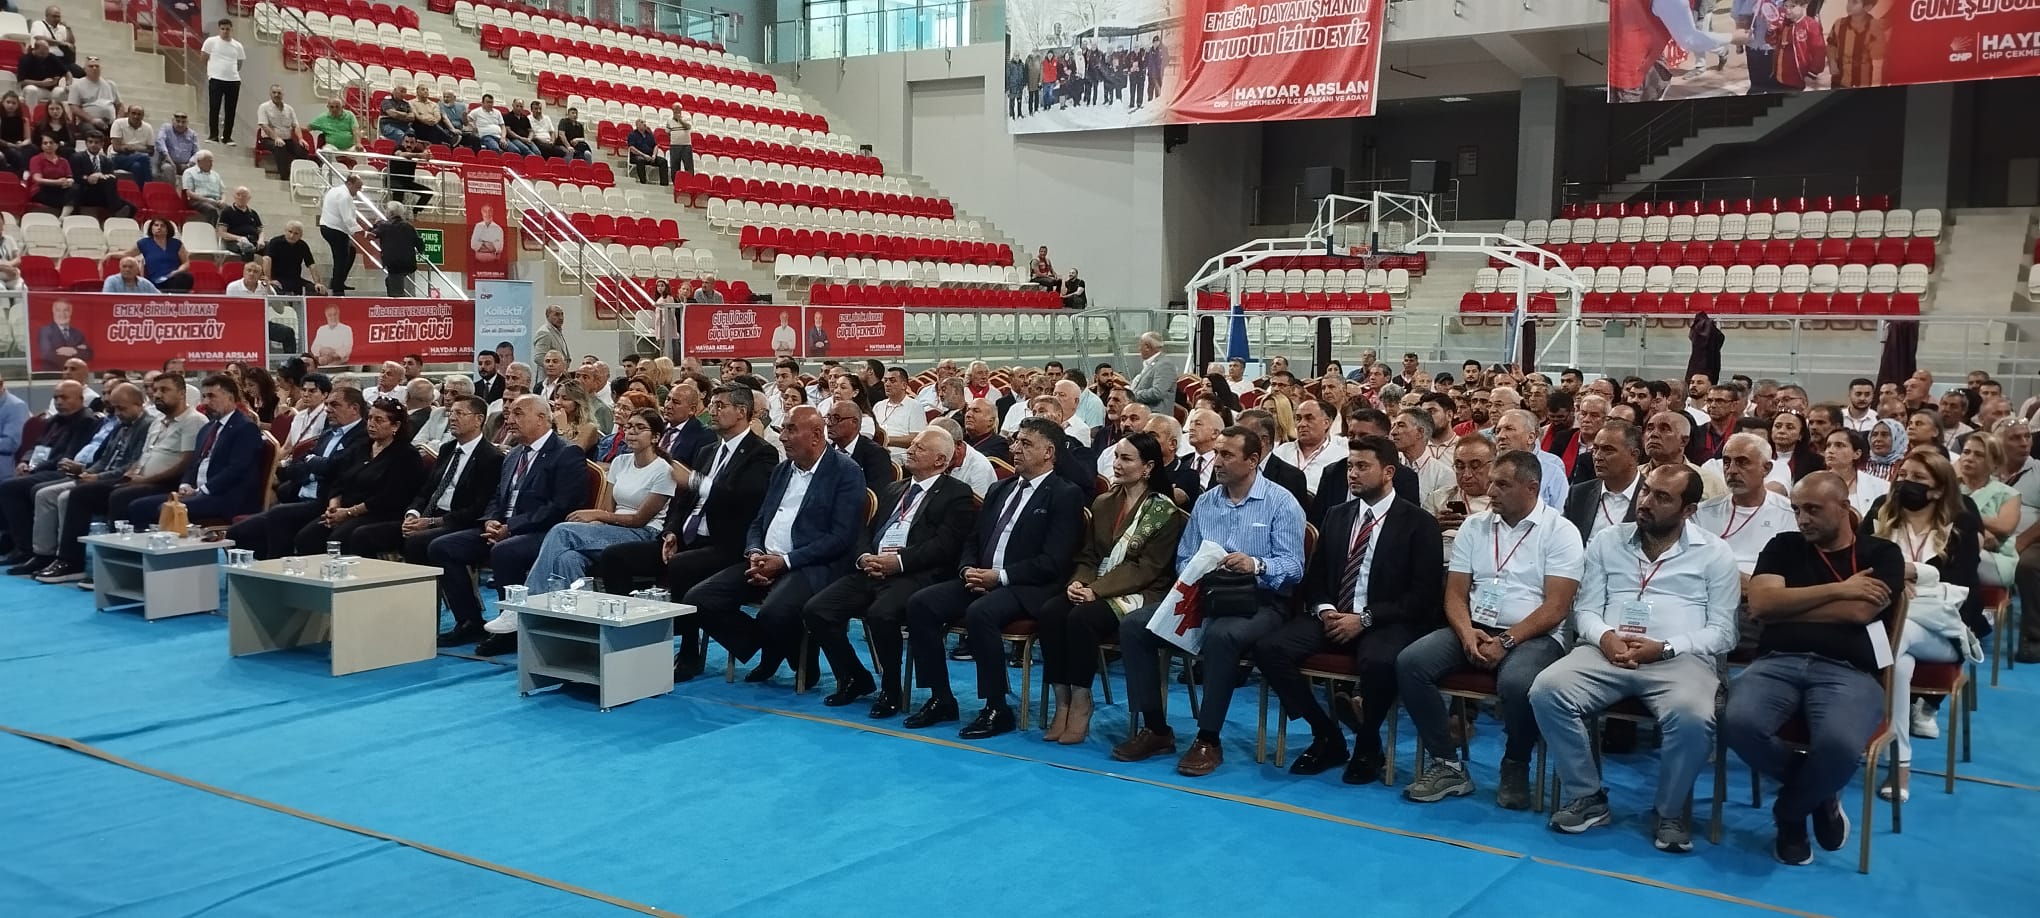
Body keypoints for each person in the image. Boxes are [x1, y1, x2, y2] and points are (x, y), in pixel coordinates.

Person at [1529, 465, 1738, 854]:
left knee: (1693, 716)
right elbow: (1585, 610)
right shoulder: (1607, 540)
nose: (1646, 502)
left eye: (1662, 497)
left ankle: (1669, 812)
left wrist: (1667, 647)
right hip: (1606, 653)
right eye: (1646, 491)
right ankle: (1587, 795)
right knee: (1546, 690)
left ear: (1688, 510)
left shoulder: (1714, 552)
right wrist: (1605, 637)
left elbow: (1725, 632)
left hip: (1680, 659)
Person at [1724, 471, 1903, 866]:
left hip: (1850, 670)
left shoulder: (1881, 553)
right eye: (1796, 510)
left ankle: (1790, 813)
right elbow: (1762, 605)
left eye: (1813, 509)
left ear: (1844, 508)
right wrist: (1841, 589)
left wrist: (1791, 604)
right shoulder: (1784, 546)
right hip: (1777, 661)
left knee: (1838, 746)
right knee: (1735, 722)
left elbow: (1860, 612)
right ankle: (1819, 792)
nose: (1802, 519)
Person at [1113, 424, 1306, 776]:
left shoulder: (1281, 502)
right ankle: (1156, 729)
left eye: (1227, 455)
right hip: (1207, 593)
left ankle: (1208, 738)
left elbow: (1294, 567)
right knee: (1135, 625)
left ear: (1253, 460)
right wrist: (1201, 567)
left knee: (1221, 635)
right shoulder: (1206, 501)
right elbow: (1184, 557)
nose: (1216, 461)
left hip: (1261, 601)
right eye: (1216, 453)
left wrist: (1255, 564)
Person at [1397, 448, 1583, 808]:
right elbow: (1455, 594)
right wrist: (1467, 633)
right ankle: (1447, 763)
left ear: (1532, 488)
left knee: (1517, 683)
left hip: (1535, 635)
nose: (1491, 490)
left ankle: (1515, 763)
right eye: (1492, 482)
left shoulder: (1561, 531)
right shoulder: (1474, 525)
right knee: (1411, 663)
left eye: (1502, 484)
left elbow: (1557, 607)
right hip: (1476, 626)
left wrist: (1507, 641)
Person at [1258, 435, 1445, 783]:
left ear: (1388, 472)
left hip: (1387, 620)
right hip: (1334, 614)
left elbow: (1422, 597)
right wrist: (1325, 609)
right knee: (1270, 648)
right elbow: (1315, 577)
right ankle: (1326, 733)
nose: (1352, 474)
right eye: (1349, 466)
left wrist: (1365, 619)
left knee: (1380, 661)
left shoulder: (1419, 523)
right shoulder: (1337, 515)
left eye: (1362, 466)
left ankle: (1368, 742)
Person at [902, 417, 1085, 738]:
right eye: (1015, 441)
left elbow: (1053, 561)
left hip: (1028, 586)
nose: (1015, 449)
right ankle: (941, 697)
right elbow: (972, 540)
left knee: (980, 613)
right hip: (981, 578)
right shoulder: (1000, 488)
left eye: (1025, 444)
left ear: (1049, 452)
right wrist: (967, 569)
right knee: (921, 603)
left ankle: (997, 707)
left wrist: (999, 577)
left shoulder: (1064, 494)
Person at [802, 427, 977, 716]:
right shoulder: (893, 489)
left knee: (881, 614)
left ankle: (891, 688)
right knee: (817, 610)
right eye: (912, 444)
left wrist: (899, 562)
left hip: (915, 574)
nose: (910, 450)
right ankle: (854, 677)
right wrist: (864, 557)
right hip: (873, 569)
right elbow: (865, 531)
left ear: (940, 460)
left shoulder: (956, 494)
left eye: (919, 447)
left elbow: (945, 546)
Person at [685, 406, 863, 686]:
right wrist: (755, 552)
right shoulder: (782, 470)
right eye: (783, 430)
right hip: (765, 558)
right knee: (699, 600)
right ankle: (775, 646)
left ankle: (788, 655)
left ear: (816, 435)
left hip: (811, 565)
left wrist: (785, 562)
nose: (782, 437)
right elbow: (759, 521)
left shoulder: (846, 472)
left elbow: (840, 538)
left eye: (791, 430)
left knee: (774, 612)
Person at [477, 408, 679, 654]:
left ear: (655, 437)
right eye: (628, 427)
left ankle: (522, 606)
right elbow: (607, 508)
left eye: (640, 428)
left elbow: (639, 519)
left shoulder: (663, 470)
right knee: (567, 558)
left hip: (643, 533)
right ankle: (573, 632)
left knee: (562, 532)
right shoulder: (620, 462)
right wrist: (597, 522)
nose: (631, 433)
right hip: (611, 527)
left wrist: (596, 517)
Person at [1035, 431, 1185, 743]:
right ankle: (1062, 701)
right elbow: (1088, 555)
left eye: (1126, 459)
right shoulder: (1103, 503)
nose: (1116, 464)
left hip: (1142, 591)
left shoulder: (1164, 512)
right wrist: (1079, 582)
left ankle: (1081, 700)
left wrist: (1096, 591)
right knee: (1051, 612)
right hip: (1097, 584)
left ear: (1148, 467)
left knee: (1081, 618)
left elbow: (1146, 569)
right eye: (1116, 456)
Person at [1860, 449, 1984, 800]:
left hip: (1943, 631)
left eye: (1918, 479)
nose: (1906, 483)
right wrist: (1900, 583)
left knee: (1895, 636)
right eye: (1903, 475)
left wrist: (1912, 573)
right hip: (1893, 624)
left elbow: (1962, 587)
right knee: (1899, 662)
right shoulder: (1881, 512)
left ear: (1938, 489)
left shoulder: (1960, 524)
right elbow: (1860, 564)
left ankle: (1861, 717)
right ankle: (1901, 764)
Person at [429, 395, 590, 646]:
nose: (510, 419)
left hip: (544, 532)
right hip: (503, 528)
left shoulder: (566, 453)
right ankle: (469, 621)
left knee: (505, 551)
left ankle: (511, 628)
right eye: (510, 413)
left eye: (518, 413)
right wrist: (490, 521)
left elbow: (561, 506)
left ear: (541, 418)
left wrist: (512, 527)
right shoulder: (514, 454)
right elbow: (497, 496)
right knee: (443, 547)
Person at [38, 373, 207, 583]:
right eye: (155, 390)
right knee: (81, 493)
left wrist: (143, 480)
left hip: (166, 484)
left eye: (164, 390)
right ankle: (70, 561)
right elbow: (144, 456)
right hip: (140, 479)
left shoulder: (194, 420)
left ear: (182, 393)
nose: (157, 395)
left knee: (119, 496)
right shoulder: (158, 422)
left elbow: (185, 463)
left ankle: (116, 568)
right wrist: (131, 473)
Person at [345, 395, 501, 563]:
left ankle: (423, 581)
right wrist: (412, 514)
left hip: (455, 521)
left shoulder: (490, 457)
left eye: (459, 413)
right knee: (363, 535)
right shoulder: (447, 449)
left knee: (417, 541)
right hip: (427, 515)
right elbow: (426, 491)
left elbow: (477, 508)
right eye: (451, 413)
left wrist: (432, 522)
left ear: (479, 419)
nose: (452, 418)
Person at [278, 397, 427, 558]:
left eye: (379, 420)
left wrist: (348, 512)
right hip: (345, 509)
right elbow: (339, 480)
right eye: (370, 418)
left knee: (339, 539)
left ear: (395, 426)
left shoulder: (406, 455)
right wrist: (334, 507)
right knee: (307, 537)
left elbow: (388, 497)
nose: (371, 424)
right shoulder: (362, 446)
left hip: (379, 513)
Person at [1696, 433, 1798, 579]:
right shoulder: (1702, 512)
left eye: (1742, 462)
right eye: (1726, 462)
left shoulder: (1790, 514)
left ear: (1766, 469)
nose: (1731, 470)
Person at [1821, 428, 1888, 517]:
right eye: (1828, 445)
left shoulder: (1881, 486)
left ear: (1857, 454)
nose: (1830, 450)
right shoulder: (1813, 484)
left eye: (1839, 445)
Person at [200, 19, 245, 144]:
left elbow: (239, 64)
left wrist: (230, 72)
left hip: (233, 80)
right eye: (223, 29)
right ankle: (213, 135)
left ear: (231, 29)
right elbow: (203, 58)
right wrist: (214, 70)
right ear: (219, 29)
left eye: (227, 29)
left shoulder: (238, 46)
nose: (225, 31)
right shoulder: (211, 42)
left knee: (230, 110)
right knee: (214, 107)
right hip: (216, 79)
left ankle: (227, 137)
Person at [319, 175, 364, 295]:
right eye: (357, 187)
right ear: (349, 184)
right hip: (334, 229)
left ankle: (338, 282)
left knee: (351, 251)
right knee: (341, 259)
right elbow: (348, 219)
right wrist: (363, 233)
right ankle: (337, 289)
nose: (358, 190)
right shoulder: (344, 196)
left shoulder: (334, 191)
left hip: (328, 226)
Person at [370, 203, 423, 297]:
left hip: (393, 263)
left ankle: (398, 300)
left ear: (390, 213)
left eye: (386, 211)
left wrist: (375, 224)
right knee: (392, 281)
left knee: (395, 289)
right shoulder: (409, 226)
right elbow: (420, 245)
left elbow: (372, 235)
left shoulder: (384, 226)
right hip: (408, 263)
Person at [126, 219, 194, 292]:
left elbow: (186, 263)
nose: (159, 228)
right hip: (156, 281)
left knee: (186, 277)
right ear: (151, 228)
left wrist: (177, 271)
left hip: (175, 277)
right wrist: (115, 253)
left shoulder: (177, 243)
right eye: (156, 225)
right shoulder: (144, 243)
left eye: (162, 226)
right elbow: (127, 254)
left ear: (167, 229)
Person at [253, 83, 304, 178]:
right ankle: (285, 177)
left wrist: (301, 139)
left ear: (283, 94)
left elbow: (296, 125)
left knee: (302, 148)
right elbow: (264, 125)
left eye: (279, 93)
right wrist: (276, 138)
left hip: (287, 140)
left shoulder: (289, 109)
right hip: (269, 139)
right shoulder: (263, 107)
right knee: (280, 146)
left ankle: (303, 176)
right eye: (274, 92)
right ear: (270, 94)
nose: (276, 95)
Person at [266, 223, 324, 297]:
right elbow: (267, 259)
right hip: (277, 279)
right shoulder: (275, 242)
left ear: (300, 235)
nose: (292, 236)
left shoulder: (303, 245)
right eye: (290, 232)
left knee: (320, 292)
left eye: (296, 233)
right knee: (276, 290)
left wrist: (317, 283)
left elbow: (311, 265)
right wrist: (269, 280)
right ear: (285, 231)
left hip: (295, 279)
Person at [34, 299, 93, 371]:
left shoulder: (77, 333)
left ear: (71, 312)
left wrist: (74, 350)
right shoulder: (45, 331)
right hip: (53, 373)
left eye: (66, 310)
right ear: (53, 311)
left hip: (74, 374)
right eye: (58, 310)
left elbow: (88, 354)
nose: (62, 314)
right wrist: (77, 352)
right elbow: (47, 355)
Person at [26, 136, 72, 213]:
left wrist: (69, 181)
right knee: (73, 200)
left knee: (75, 189)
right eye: (45, 143)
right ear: (41, 146)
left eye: (51, 143)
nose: (48, 145)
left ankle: (64, 215)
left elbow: (69, 177)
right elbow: (37, 179)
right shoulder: (36, 159)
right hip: (42, 189)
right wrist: (56, 182)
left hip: (59, 188)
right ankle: (67, 212)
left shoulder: (64, 161)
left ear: (57, 145)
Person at [179, 150, 226, 222]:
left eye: (212, 161)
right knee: (211, 209)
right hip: (198, 200)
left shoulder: (216, 174)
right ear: (199, 161)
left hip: (216, 200)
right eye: (208, 161)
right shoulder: (189, 172)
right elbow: (189, 192)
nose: (211, 164)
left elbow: (223, 192)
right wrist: (207, 200)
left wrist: (223, 200)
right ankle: (210, 228)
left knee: (230, 210)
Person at [217, 186, 263, 260]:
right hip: (235, 242)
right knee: (247, 248)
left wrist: (261, 240)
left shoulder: (253, 213)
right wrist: (239, 238)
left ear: (249, 198)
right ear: (234, 196)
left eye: (244, 195)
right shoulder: (227, 212)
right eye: (238, 194)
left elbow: (260, 230)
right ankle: (248, 267)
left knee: (272, 247)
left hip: (254, 240)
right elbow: (222, 233)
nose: (240, 197)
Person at [626, 119, 667, 185]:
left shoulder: (649, 135)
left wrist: (654, 155)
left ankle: (664, 184)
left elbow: (655, 146)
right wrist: (644, 155)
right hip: (637, 156)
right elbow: (632, 148)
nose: (645, 124)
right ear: (637, 125)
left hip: (650, 156)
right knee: (640, 160)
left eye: (645, 122)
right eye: (642, 122)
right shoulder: (632, 134)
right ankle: (643, 182)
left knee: (663, 161)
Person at [666, 104, 692, 176]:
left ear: (681, 109)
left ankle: (689, 181)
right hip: (674, 146)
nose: (675, 111)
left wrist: (680, 120)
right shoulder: (669, 119)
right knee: (674, 166)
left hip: (686, 146)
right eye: (673, 109)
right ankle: (675, 181)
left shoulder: (687, 117)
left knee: (688, 166)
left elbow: (688, 126)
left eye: (677, 109)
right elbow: (668, 132)